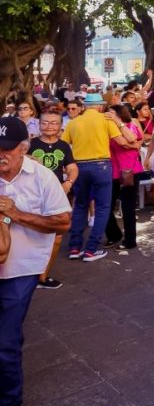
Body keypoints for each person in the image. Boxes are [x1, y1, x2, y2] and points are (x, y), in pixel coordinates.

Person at [0, 117, 72, 406]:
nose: (0, 156)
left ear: (23, 149)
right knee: (7, 338)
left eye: (6, 150)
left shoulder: (42, 177)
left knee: (5, 339)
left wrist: (16, 214)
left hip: (22, 269)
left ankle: (10, 403)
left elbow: (63, 222)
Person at [62, 92, 136, 261]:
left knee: (80, 206)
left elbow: (64, 145)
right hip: (101, 165)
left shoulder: (74, 122)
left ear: (85, 106)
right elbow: (125, 141)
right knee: (102, 207)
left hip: (79, 166)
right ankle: (91, 249)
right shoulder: (105, 120)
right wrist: (120, 124)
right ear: (101, 106)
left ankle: (75, 247)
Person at [27, 111, 78, 289]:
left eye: (54, 123)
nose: (49, 126)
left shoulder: (64, 146)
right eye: (45, 123)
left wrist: (69, 182)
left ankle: (43, 276)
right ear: (39, 124)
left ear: (60, 126)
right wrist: (29, 158)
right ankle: (25, 275)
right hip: (31, 195)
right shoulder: (29, 144)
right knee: (29, 234)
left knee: (57, 237)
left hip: (55, 197)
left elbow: (72, 168)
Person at [104, 105, 143, 250]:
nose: (109, 115)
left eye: (112, 113)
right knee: (105, 205)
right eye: (107, 112)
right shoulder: (106, 128)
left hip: (129, 171)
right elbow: (132, 144)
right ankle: (114, 234)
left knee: (128, 208)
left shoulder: (129, 124)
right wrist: (132, 146)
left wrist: (117, 122)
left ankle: (130, 240)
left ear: (120, 114)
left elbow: (132, 139)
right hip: (111, 171)